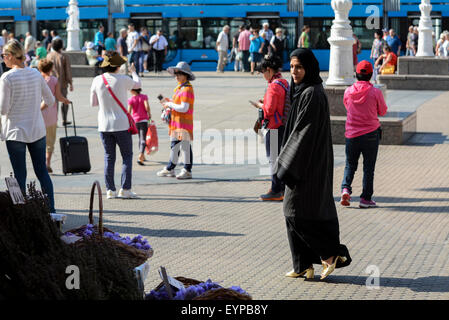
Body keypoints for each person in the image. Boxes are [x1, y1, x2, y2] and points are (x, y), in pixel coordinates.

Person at [276, 48, 351, 281]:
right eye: (291, 67)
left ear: (308, 67)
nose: (294, 71)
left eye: (299, 67)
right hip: (305, 162)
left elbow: (303, 133)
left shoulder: (312, 93)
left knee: (294, 211)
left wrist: (286, 163)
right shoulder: (302, 90)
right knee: (296, 211)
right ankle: (302, 265)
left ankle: (330, 255)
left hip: (307, 164)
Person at [0, 40, 57, 213]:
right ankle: (51, 210)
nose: (3, 59)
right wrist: (34, 108)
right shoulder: (35, 73)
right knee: (42, 172)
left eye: (3, 56)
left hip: (15, 131)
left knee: (19, 176)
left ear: (10, 56)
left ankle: (20, 214)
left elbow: (3, 109)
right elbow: (50, 100)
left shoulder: (7, 77)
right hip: (36, 129)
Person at [90, 51, 142, 199]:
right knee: (126, 156)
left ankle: (110, 190)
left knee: (109, 157)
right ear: (118, 66)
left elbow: (93, 103)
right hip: (121, 124)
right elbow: (138, 84)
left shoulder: (97, 80)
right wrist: (133, 72)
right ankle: (125, 189)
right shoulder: (123, 79)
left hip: (104, 125)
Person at [340, 60, 388, 208]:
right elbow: (383, 111)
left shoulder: (348, 91)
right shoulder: (375, 92)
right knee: (368, 167)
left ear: (356, 74)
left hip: (352, 134)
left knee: (350, 164)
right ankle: (366, 199)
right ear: (370, 75)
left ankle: (345, 188)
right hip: (371, 134)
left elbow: (347, 106)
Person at [251, 54, 288, 201]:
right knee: (279, 158)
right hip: (283, 126)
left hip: (274, 127)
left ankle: (276, 190)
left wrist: (260, 105)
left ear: (269, 70)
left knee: (273, 159)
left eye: (262, 72)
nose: (262, 75)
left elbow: (269, 110)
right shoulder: (283, 82)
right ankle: (282, 188)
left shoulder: (274, 86)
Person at [157, 61, 195, 180]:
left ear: (186, 75)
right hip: (177, 122)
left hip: (183, 123)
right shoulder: (180, 88)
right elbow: (178, 105)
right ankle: (171, 168)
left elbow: (184, 108)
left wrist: (170, 104)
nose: (176, 76)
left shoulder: (187, 89)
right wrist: (169, 103)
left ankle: (184, 170)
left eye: (179, 74)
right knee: (177, 146)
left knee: (182, 147)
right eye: (176, 74)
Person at [38, 59, 71, 173]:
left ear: (40, 69)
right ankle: (47, 162)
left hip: (38, 114)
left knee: (39, 139)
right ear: (51, 69)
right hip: (51, 114)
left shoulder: (37, 79)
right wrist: (66, 101)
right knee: (50, 140)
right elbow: (58, 96)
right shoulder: (54, 80)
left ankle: (41, 162)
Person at [46, 39, 73, 127]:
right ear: (61, 46)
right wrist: (70, 82)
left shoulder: (49, 56)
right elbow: (68, 70)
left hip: (51, 83)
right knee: (64, 100)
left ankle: (54, 121)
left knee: (54, 102)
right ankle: (64, 119)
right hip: (62, 83)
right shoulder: (64, 56)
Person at [128, 88, 151, 166]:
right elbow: (147, 106)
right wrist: (149, 114)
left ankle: (142, 155)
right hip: (144, 120)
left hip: (135, 121)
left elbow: (129, 111)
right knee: (143, 138)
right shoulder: (144, 97)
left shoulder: (131, 99)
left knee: (140, 138)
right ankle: (141, 154)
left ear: (133, 90)